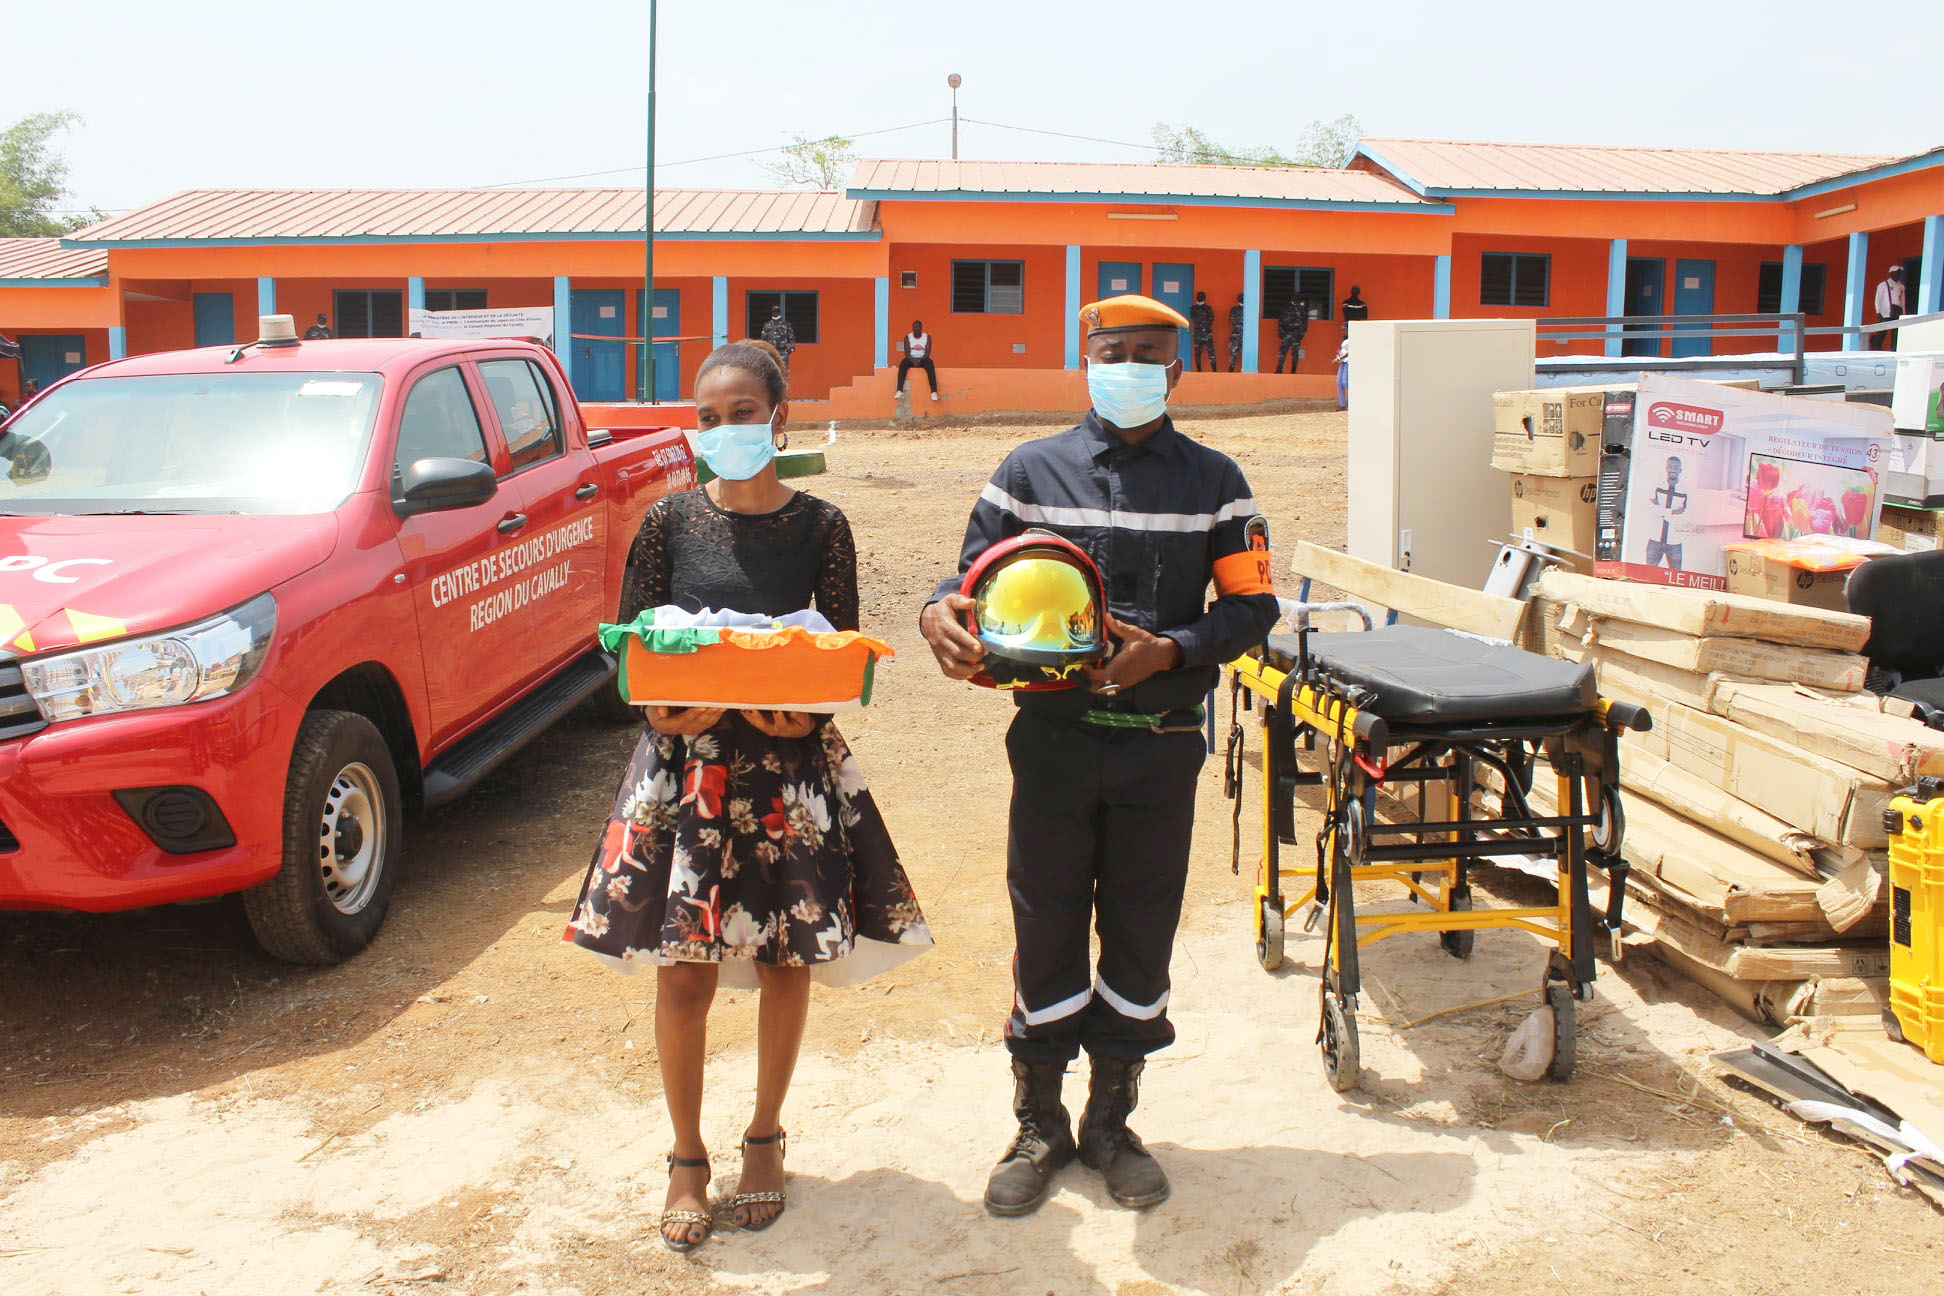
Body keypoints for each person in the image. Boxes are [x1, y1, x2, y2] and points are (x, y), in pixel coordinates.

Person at [566, 340, 932, 1252]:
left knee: (783, 959)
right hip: (687, 771)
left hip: (787, 771)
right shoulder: (667, 523)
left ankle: (764, 1137)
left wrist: (797, 721)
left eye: (741, 413)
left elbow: (839, 657)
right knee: (682, 969)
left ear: (779, 415)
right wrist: (680, 703)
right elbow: (631, 657)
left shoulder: (823, 526)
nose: (725, 430)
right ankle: (686, 1156)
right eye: (709, 417)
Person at [919, 294, 1278, 1218]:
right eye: (1111, 351)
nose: (1128, 366)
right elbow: (964, 585)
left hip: (1162, 748)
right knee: (1044, 921)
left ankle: (1112, 1121)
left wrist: (1172, 649)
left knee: (1142, 923)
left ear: (1176, 371)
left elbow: (1251, 609)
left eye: (1147, 355)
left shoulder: (1218, 483)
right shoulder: (1028, 472)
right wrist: (936, 618)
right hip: (1053, 743)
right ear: (1086, 359)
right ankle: (1039, 1123)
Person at [1646, 455, 1688, 570]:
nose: (1673, 469)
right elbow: (1651, 508)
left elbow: (1686, 515)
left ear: (1680, 470)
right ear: (1666, 468)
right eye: (1670, 466)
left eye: (1676, 467)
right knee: (1648, 574)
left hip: (1674, 542)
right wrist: (1673, 512)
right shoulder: (1657, 486)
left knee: (1675, 577)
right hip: (1655, 540)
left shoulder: (1686, 491)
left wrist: (1661, 511)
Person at [896, 319, 939, 401]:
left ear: (921, 328)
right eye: (914, 327)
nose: (916, 329)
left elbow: (927, 352)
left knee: (930, 363)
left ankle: (934, 392)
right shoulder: (907, 337)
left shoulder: (927, 337)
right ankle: (899, 390)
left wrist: (920, 361)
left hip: (923, 359)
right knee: (903, 363)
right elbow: (907, 352)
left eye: (917, 327)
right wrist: (913, 360)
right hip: (911, 359)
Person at [1873, 265, 1906, 351]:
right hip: (1886, 312)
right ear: (1891, 273)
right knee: (1883, 331)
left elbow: (1902, 301)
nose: (1898, 274)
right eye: (1897, 272)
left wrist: (1903, 313)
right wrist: (1878, 312)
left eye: (1900, 273)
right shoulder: (1883, 285)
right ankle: (1876, 346)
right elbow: (1878, 299)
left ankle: (1893, 349)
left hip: (1897, 310)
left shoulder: (1901, 286)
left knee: (1896, 332)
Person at [760, 304, 796, 379]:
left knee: (783, 370)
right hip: (771, 351)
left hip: (782, 351)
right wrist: (763, 350)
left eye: (777, 311)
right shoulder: (767, 325)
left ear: (779, 313)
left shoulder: (786, 324)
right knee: (770, 370)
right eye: (774, 311)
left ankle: (783, 389)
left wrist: (791, 349)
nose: (775, 313)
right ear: (772, 312)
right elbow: (763, 339)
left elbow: (791, 337)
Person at [1274, 293, 1308, 373]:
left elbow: (1305, 324)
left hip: (1296, 333)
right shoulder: (1286, 308)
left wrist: (1301, 334)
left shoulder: (1301, 309)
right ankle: (1279, 369)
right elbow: (1281, 321)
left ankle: (1292, 370)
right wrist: (1281, 332)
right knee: (1283, 352)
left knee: (1293, 354)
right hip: (1287, 332)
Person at [1188, 291, 1216, 373]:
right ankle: (1204, 372)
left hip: (1200, 332)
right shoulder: (1197, 308)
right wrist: (1204, 324)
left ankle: (1212, 371)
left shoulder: (1194, 309)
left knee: (1207, 353)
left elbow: (1209, 319)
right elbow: (1210, 319)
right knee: (1202, 353)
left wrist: (1201, 324)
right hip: (1205, 332)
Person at [1226, 293, 1244, 372]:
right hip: (1241, 334)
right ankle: (1231, 371)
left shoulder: (1234, 309)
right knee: (1233, 354)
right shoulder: (1248, 309)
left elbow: (1232, 320)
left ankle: (1231, 371)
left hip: (1237, 333)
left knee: (1233, 353)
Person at [1333, 336, 1350, 411]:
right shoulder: (1344, 340)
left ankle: (1350, 403)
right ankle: (1342, 404)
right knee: (1339, 382)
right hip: (1343, 362)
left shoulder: (1353, 339)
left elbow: (1349, 353)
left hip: (1348, 362)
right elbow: (1340, 349)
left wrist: (1339, 358)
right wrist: (1338, 355)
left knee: (1345, 382)